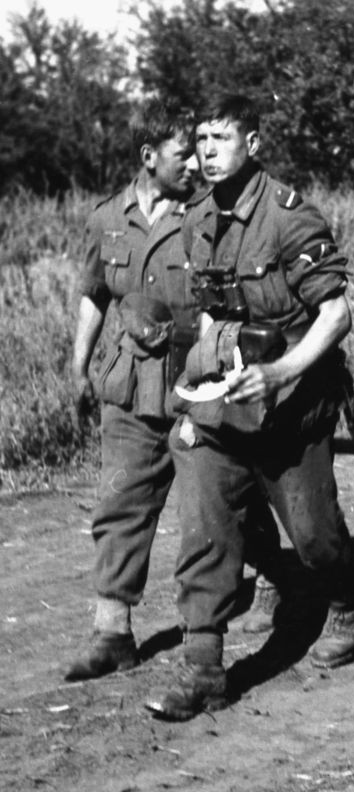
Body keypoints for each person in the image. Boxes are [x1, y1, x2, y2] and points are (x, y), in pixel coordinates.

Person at [145, 94, 354, 721]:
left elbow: (336, 315)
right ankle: (203, 669)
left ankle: (345, 598)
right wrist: (201, 382)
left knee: (314, 537)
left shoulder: (290, 217)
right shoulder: (196, 217)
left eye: (222, 138)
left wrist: (279, 372)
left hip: (292, 401)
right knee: (205, 530)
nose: (208, 152)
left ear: (254, 144)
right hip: (226, 401)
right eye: (201, 140)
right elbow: (210, 309)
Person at [64, 101, 281, 681]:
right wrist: (78, 366)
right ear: (148, 157)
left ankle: (269, 581)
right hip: (132, 381)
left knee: (223, 495)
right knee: (122, 501)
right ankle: (112, 632)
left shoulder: (210, 215)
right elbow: (93, 294)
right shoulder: (107, 218)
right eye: (183, 153)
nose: (196, 162)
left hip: (198, 377)